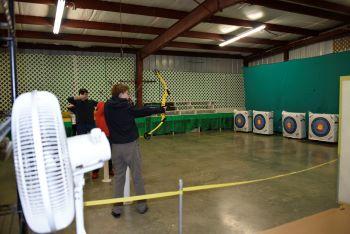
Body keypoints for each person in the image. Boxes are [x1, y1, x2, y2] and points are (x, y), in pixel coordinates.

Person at [104, 84, 165, 218]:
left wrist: (127, 102)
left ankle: (117, 209)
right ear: (120, 94)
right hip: (130, 146)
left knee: (119, 178)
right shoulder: (127, 107)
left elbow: (120, 108)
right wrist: (160, 109)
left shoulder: (107, 106)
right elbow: (143, 111)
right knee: (137, 176)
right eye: (126, 93)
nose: (129, 95)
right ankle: (142, 206)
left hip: (115, 147)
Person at [67, 88, 99, 179]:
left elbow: (99, 105)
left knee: (94, 146)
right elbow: (69, 99)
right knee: (82, 147)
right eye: (83, 94)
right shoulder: (77, 103)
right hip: (81, 126)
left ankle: (95, 171)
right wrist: (79, 97)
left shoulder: (91, 102)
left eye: (86, 94)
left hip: (91, 126)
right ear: (80, 95)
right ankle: (82, 167)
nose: (86, 95)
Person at [94, 101, 114, 177]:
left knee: (109, 154)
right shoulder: (98, 113)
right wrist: (109, 102)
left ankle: (110, 169)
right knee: (99, 154)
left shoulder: (108, 115)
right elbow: (103, 108)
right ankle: (95, 172)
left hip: (108, 136)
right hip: (101, 137)